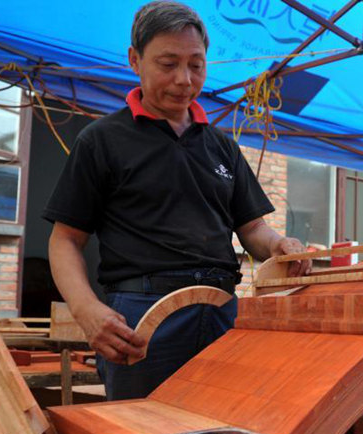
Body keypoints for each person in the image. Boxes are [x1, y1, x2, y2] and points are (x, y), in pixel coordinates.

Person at [43, 1, 310, 400]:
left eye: (196, 65)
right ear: (135, 60)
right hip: (142, 315)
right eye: (167, 64)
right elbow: (65, 239)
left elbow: (252, 227)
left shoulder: (221, 147)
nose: (184, 79)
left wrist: (278, 246)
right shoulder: (102, 141)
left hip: (222, 311)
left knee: (223, 430)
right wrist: (86, 311)